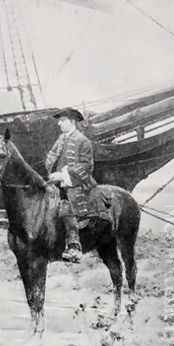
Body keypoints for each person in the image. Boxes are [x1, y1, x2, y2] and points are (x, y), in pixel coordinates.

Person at [45, 107, 97, 263]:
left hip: (76, 184)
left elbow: (87, 166)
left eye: (62, 121)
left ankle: (74, 247)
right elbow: (50, 157)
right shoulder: (61, 139)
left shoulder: (83, 141)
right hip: (57, 183)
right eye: (59, 121)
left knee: (67, 210)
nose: (59, 124)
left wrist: (63, 175)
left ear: (72, 121)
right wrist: (51, 172)